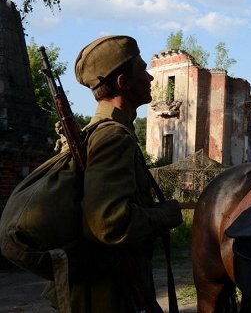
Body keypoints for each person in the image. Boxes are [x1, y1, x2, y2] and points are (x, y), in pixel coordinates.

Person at [44, 35, 183, 312]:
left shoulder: (101, 131)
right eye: (143, 70)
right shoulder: (113, 136)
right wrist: (165, 215)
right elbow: (108, 223)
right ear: (124, 83)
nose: (151, 78)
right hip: (108, 295)